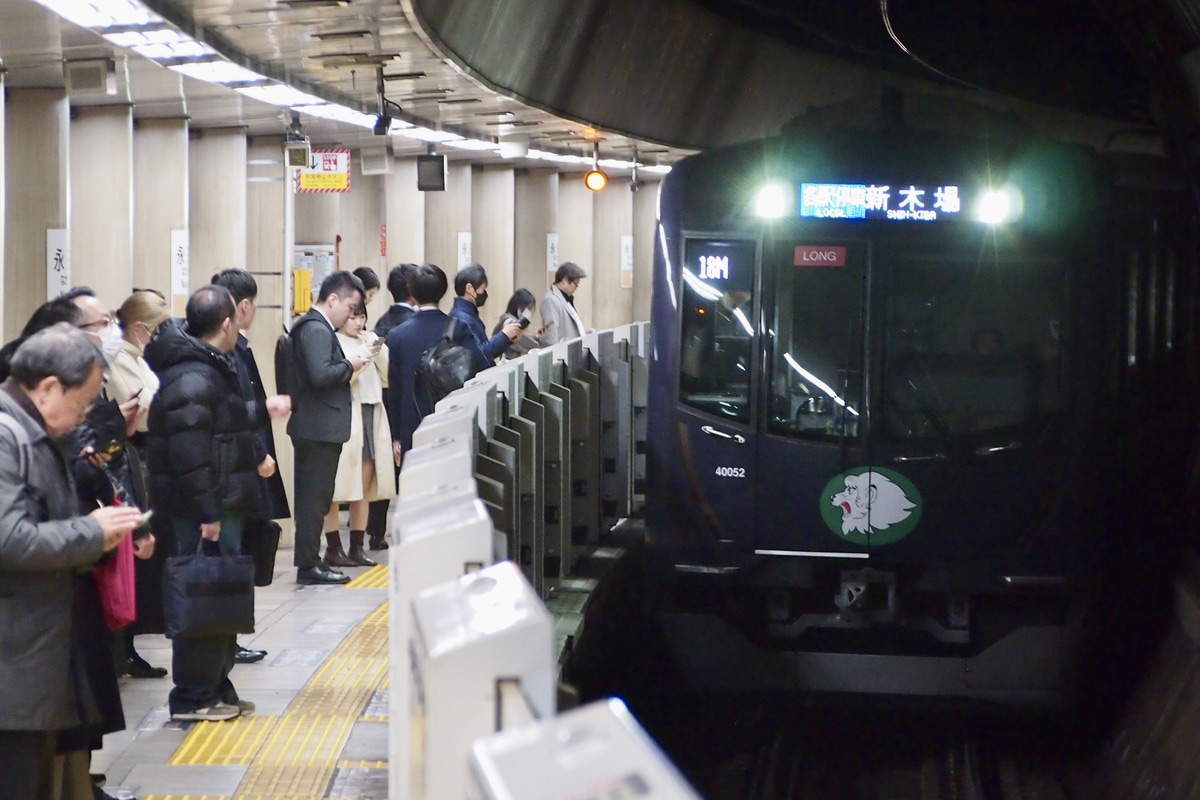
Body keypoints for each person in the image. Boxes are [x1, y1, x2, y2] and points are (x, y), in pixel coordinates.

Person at [0, 323, 143, 800]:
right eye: (81, 404)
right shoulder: (7, 437)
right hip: (13, 663)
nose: (83, 417)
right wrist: (92, 532)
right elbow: (9, 539)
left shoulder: (38, 434)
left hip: (35, 655)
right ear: (47, 388)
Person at [144, 286, 288, 722]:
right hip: (202, 512)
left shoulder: (208, 367)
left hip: (221, 505)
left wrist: (261, 410)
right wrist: (207, 513)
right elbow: (190, 455)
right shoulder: (192, 375)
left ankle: (216, 686)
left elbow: (221, 423)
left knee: (221, 599)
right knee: (201, 600)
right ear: (227, 323)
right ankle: (192, 695)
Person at [211, 269, 292, 665]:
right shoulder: (228, 353)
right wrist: (259, 453)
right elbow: (236, 411)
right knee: (231, 555)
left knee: (236, 554)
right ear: (243, 306)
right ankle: (225, 642)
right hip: (234, 471)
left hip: (236, 469)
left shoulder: (231, 348)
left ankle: (229, 639)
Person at [286, 271, 370, 585]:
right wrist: (351, 364)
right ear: (333, 299)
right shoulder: (316, 329)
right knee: (313, 498)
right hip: (316, 427)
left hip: (317, 425)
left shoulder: (314, 327)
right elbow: (320, 374)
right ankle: (308, 565)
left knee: (317, 497)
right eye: (350, 307)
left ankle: (311, 560)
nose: (351, 315)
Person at [107, 289, 172, 680]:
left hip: (145, 456)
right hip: (130, 454)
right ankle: (124, 649)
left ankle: (129, 647)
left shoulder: (138, 357)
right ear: (139, 327)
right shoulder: (118, 358)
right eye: (156, 328)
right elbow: (143, 406)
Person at [322, 303, 394, 568]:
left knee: (363, 487)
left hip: (370, 413)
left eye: (362, 317)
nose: (358, 322)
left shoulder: (368, 340)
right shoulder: (333, 341)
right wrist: (364, 353)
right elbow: (344, 376)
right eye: (353, 317)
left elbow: (387, 376)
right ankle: (333, 547)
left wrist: (378, 348)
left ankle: (357, 546)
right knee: (337, 487)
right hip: (347, 416)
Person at [366, 263, 417, 551]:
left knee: (382, 467)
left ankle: (376, 531)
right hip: (408, 401)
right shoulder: (413, 326)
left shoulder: (381, 323)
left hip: (381, 400)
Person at [387, 264, 452, 464]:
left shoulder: (397, 335)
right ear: (443, 291)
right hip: (452, 417)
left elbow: (395, 389)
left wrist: (395, 435)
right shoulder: (458, 328)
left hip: (412, 421)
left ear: (412, 295)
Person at [450, 263, 522, 371]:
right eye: (483, 289)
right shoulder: (462, 318)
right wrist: (504, 335)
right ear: (469, 288)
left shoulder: (467, 313)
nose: (484, 293)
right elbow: (479, 354)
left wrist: (508, 337)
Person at [540, 261, 587, 345]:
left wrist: (586, 332)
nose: (576, 287)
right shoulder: (550, 300)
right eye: (576, 284)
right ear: (564, 280)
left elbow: (570, 328)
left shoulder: (566, 299)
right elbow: (550, 335)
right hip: (562, 351)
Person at [491, 288, 546, 358]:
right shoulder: (510, 323)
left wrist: (535, 337)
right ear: (518, 306)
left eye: (530, 309)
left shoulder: (507, 320)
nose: (528, 312)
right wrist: (537, 342)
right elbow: (527, 343)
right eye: (527, 308)